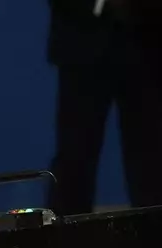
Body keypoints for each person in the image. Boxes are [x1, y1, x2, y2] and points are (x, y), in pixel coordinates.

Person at [46, 0, 162, 216]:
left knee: (152, 160)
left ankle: (153, 242)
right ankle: (64, 244)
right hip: (81, 40)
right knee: (75, 157)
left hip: (149, 42)